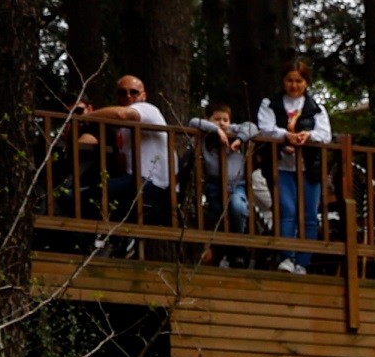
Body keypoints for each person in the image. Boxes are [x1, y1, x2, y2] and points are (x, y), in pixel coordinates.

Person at [254, 58, 331, 272]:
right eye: (290, 80)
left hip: (309, 168)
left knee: (308, 216)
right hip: (282, 165)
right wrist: (285, 136)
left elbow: (325, 135)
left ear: (306, 82)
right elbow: (265, 129)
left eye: (299, 80)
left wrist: (308, 136)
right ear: (283, 81)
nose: (294, 85)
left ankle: (303, 262)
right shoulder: (270, 104)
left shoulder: (316, 108)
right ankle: (287, 256)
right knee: (287, 211)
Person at [80, 73, 171, 238]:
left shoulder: (148, 109)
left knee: (85, 196)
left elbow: (121, 114)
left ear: (143, 96)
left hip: (151, 182)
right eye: (122, 92)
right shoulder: (123, 129)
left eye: (133, 92)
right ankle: (106, 243)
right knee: (93, 194)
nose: (128, 96)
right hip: (136, 181)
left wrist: (83, 117)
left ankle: (89, 244)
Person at [189, 99, 251, 254]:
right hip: (215, 183)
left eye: (225, 120)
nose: (222, 123)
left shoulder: (235, 131)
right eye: (217, 119)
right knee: (217, 214)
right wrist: (216, 130)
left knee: (237, 208)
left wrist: (239, 139)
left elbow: (252, 127)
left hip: (237, 183)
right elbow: (193, 121)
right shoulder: (205, 135)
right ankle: (220, 250)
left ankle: (238, 246)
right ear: (209, 119)